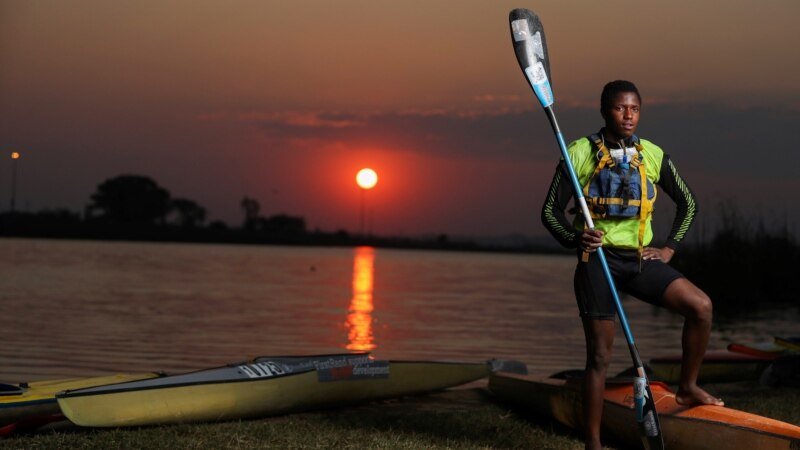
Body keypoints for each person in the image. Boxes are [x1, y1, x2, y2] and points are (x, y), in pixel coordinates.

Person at [540, 80, 724, 450]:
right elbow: (549, 212)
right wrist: (576, 239)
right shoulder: (578, 151)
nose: (628, 115)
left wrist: (669, 249)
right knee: (600, 356)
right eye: (621, 108)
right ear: (605, 111)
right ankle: (592, 442)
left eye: (635, 108)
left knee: (701, 306)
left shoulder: (652, 154)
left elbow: (689, 204)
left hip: (639, 261)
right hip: (597, 261)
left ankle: (687, 387)